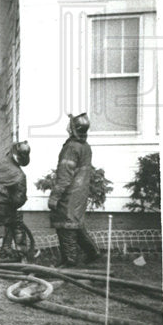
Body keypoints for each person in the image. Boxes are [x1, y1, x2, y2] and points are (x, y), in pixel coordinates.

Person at [48, 113, 100, 267]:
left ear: (72, 129)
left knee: (66, 225)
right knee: (75, 223)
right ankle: (93, 252)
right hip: (80, 192)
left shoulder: (71, 147)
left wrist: (55, 196)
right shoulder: (85, 146)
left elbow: (64, 175)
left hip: (69, 193)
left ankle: (69, 261)